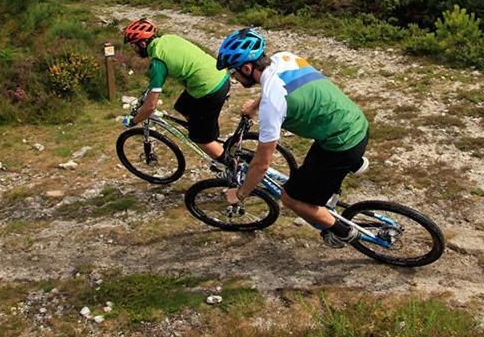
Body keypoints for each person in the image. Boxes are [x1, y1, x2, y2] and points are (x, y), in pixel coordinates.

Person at [216, 28, 370, 248]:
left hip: (340, 143)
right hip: (356, 122)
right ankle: (340, 176)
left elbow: (261, 165)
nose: (234, 78)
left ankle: (344, 232)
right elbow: (279, 85)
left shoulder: (272, 103)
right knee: (313, 170)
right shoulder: (284, 57)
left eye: (234, 73)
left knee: (290, 198)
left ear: (247, 68)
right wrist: (254, 105)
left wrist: (240, 194)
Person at [123, 18, 230, 162]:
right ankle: (209, 133)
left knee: (200, 139)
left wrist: (134, 121)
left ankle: (232, 166)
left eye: (133, 46)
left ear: (142, 44)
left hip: (209, 89)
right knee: (182, 106)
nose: (134, 50)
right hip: (219, 75)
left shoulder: (157, 62)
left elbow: (150, 107)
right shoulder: (168, 39)